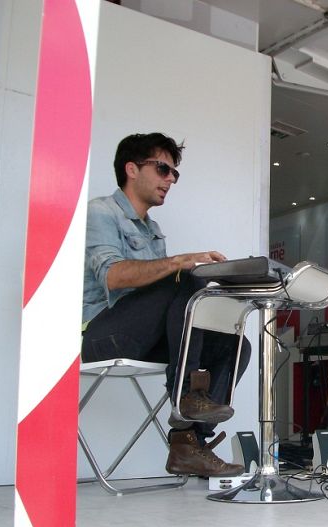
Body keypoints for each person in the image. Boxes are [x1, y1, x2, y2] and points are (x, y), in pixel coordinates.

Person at [82, 132, 251, 477]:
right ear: (131, 168)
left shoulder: (152, 229)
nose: (170, 179)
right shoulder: (101, 212)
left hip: (144, 334)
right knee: (187, 275)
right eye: (163, 169)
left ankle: (187, 442)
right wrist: (182, 263)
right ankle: (187, 394)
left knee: (236, 346)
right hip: (100, 334)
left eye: (174, 173)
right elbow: (112, 277)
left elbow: (164, 303)